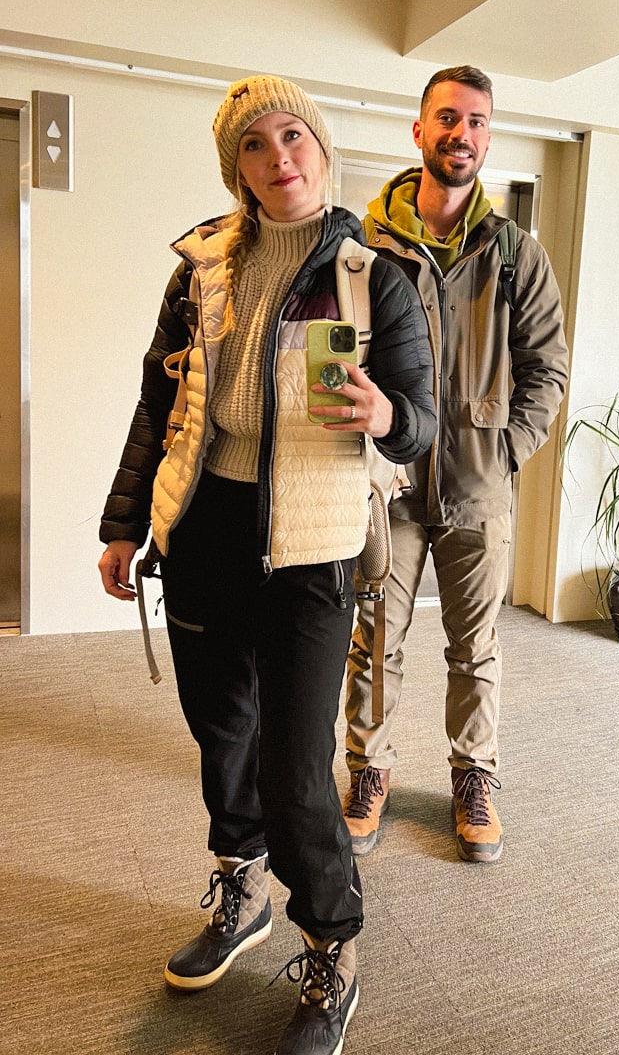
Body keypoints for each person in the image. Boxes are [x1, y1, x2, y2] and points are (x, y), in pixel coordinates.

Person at [98, 75, 436, 1055]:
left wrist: (386, 416)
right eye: (253, 143)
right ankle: (240, 894)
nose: (277, 155)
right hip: (204, 528)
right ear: (234, 166)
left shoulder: (375, 276)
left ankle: (332, 941)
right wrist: (128, 521)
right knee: (223, 739)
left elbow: (418, 420)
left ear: (322, 149)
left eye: (293, 134)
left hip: (313, 544)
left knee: (296, 767)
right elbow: (156, 409)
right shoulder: (200, 268)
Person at [342, 65, 568, 863]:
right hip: (385, 482)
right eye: (446, 118)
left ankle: (474, 777)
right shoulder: (364, 247)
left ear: (487, 136)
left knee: (476, 646)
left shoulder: (514, 253)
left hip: (478, 484)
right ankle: (368, 770)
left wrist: (502, 449)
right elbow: (333, 354)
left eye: (475, 122)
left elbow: (549, 372)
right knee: (375, 636)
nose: (460, 134)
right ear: (419, 130)